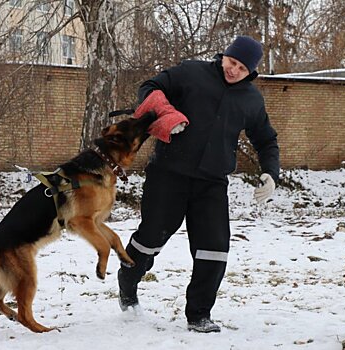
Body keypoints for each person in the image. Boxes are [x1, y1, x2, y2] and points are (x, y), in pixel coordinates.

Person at [117, 35, 280, 333]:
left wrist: (271, 172)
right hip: (168, 173)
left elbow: (266, 139)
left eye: (242, 68)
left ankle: (199, 314)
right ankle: (128, 278)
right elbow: (150, 89)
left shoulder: (252, 100)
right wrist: (166, 114)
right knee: (152, 236)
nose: (233, 70)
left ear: (251, 72)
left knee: (214, 248)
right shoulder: (191, 73)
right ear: (224, 56)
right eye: (231, 62)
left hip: (212, 182)